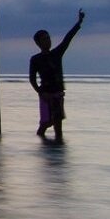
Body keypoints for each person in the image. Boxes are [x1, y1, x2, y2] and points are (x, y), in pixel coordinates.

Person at [29, 9, 86, 140]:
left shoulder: (56, 53)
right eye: (44, 39)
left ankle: (58, 150)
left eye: (48, 38)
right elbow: (32, 79)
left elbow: (68, 38)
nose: (48, 40)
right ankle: (41, 143)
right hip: (45, 95)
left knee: (57, 125)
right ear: (38, 43)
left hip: (57, 94)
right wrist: (40, 92)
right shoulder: (35, 59)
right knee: (45, 123)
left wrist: (79, 23)